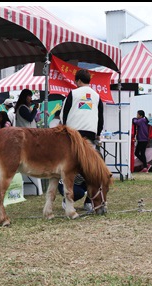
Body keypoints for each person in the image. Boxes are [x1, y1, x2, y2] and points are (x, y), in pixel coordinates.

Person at [61, 68, 104, 213]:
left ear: (78, 81)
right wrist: (97, 133)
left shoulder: (72, 94)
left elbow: (63, 115)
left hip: (73, 137)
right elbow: (101, 119)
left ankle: (67, 197)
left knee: (71, 168)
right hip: (90, 138)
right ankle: (90, 202)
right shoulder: (97, 96)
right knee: (92, 170)